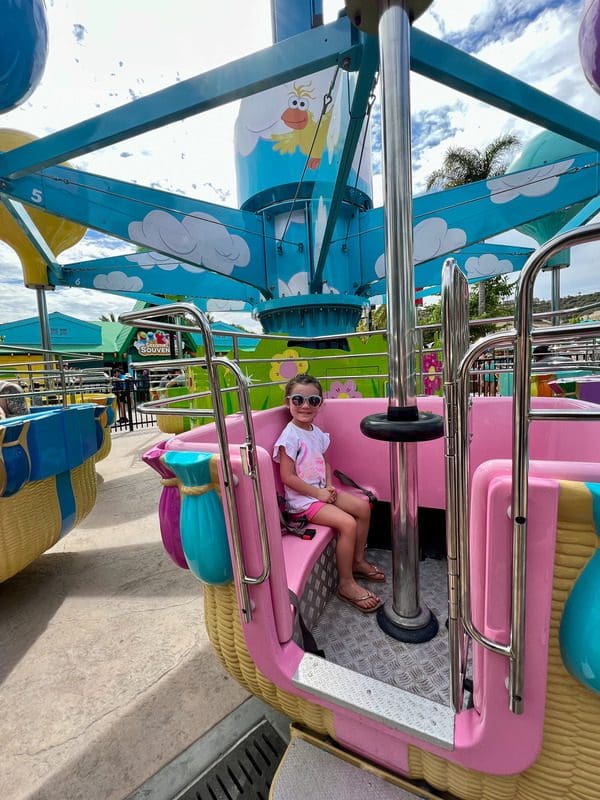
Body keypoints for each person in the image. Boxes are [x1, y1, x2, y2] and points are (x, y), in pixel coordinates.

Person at [273, 373, 384, 614]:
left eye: (313, 401)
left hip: (322, 492)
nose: (305, 406)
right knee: (347, 524)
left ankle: (357, 561)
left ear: (320, 405)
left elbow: (324, 462)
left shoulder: (315, 432)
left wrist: (329, 485)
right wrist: (318, 494)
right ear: (287, 402)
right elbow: (287, 477)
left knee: (363, 509)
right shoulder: (289, 437)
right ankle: (346, 583)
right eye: (298, 399)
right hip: (303, 501)